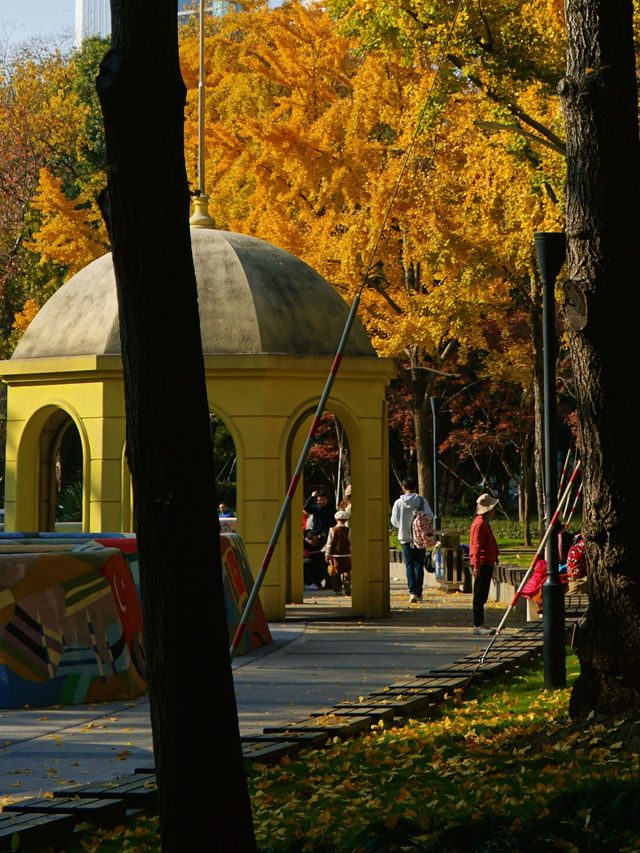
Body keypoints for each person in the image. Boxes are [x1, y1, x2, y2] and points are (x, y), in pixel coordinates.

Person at [390, 477, 432, 603]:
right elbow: (430, 516)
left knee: (409, 565)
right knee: (419, 563)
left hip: (405, 537)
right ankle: (419, 592)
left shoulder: (398, 503)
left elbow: (394, 521)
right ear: (415, 487)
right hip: (419, 537)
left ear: (403, 487)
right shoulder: (422, 501)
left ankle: (412, 591)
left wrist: (402, 526)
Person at [469, 493, 500, 635]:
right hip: (482, 563)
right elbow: (476, 545)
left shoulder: (483, 522)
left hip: (486, 562)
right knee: (479, 595)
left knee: (482, 594)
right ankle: (478, 624)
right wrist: (476, 565)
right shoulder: (480, 524)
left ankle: (481, 622)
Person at [324, 510, 352, 595]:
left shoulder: (332, 530)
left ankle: (338, 590)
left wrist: (327, 554)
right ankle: (347, 581)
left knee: (336, 572)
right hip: (346, 554)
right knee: (346, 570)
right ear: (346, 520)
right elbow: (351, 542)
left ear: (336, 519)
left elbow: (329, 543)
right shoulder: (349, 530)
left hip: (335, 555)